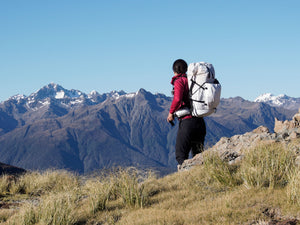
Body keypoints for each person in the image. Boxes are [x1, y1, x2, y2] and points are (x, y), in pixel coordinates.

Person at [167, 59, 206, 169]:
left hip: (187, 123)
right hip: (200, 120)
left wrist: (171, 113)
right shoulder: (194, 80)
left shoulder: (180, 81)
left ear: (175, 70)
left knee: (181, 155)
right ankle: (200, 176)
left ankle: (185, 181)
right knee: (198, 154)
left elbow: (178, 98)